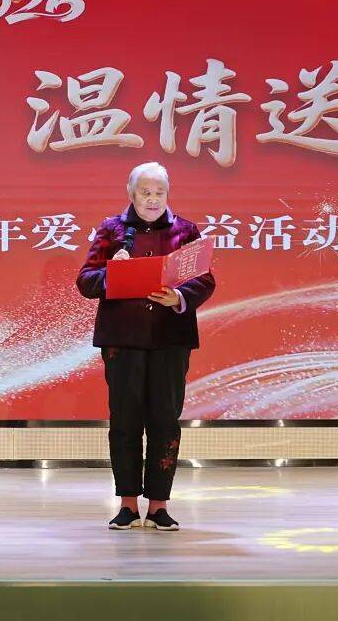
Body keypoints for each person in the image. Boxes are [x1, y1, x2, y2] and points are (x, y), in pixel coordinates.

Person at [77, 162, 216, 531]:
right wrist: (113, 272)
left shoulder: (185, 230)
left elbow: (205, 280)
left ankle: (158, 505)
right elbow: (86, 281)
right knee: (125, 419)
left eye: (159, 193)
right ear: (131, 193)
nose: (153, 200)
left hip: (170, 339)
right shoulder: (112, 230)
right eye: (145, 192)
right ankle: (127, 504)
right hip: (123, 341)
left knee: (165, 421)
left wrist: (179, 297)